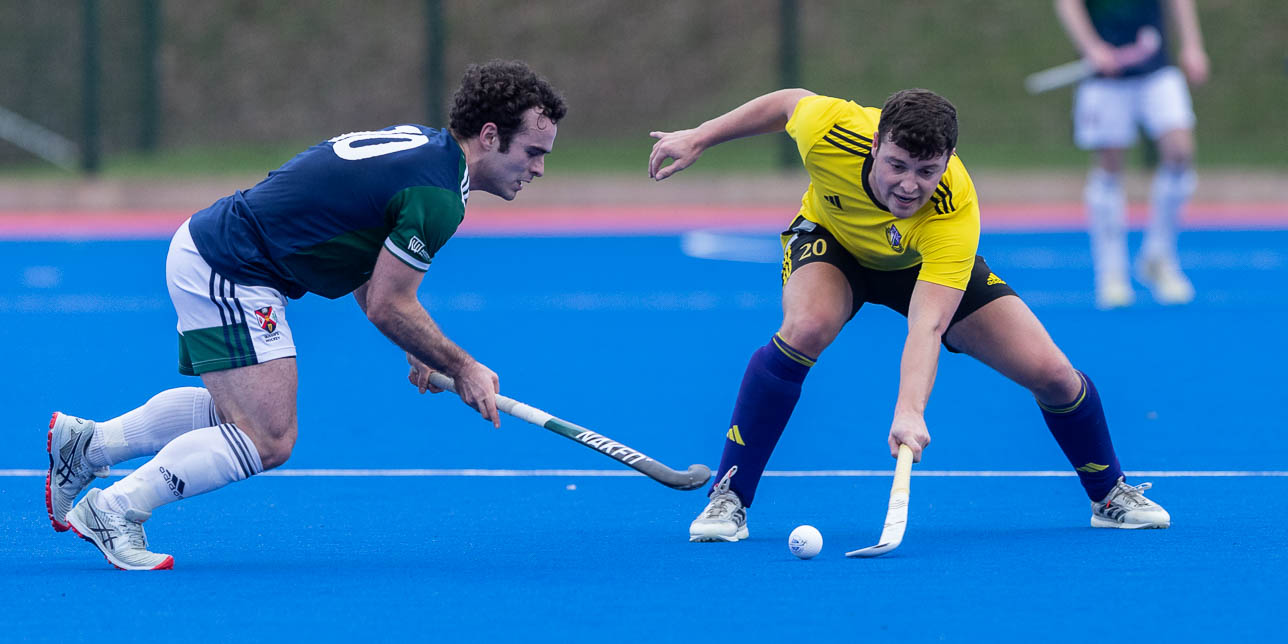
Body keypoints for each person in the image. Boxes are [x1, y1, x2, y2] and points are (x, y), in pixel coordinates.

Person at [46, 60, 567, 570]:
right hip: (232, 266)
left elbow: (370, 264)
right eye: (533, 152)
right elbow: (389, 304)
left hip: (219, 252)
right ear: (491, 134)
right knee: (268, 438)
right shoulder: (438, 195)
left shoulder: (426, 151)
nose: (539, 169)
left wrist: (416, 347)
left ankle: (89, 446)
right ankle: (114, 510)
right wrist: (463, 366)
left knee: (243, 413)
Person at [647, 87, 1170, 543]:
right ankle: (730, 496)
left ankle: (1109, 494)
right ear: (875, 144)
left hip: (920, 262)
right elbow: (785, 104)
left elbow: (928, 323)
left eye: (926, 171)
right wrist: (699, 136)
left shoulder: (953, 207)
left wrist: (909, 411)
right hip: (834, 243)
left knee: (1054, 375)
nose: (909, 185)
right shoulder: (832, 130)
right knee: (805, 327)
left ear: (947, 161)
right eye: (897, 165)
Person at [1055, 0, 1209, 309]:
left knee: (1179, 150)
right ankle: (1111, 272)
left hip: (1156, 69)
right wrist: (1092, 47)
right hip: (1105, 77)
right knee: (1109, 167)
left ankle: (1158, 256)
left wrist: (1193, 45)